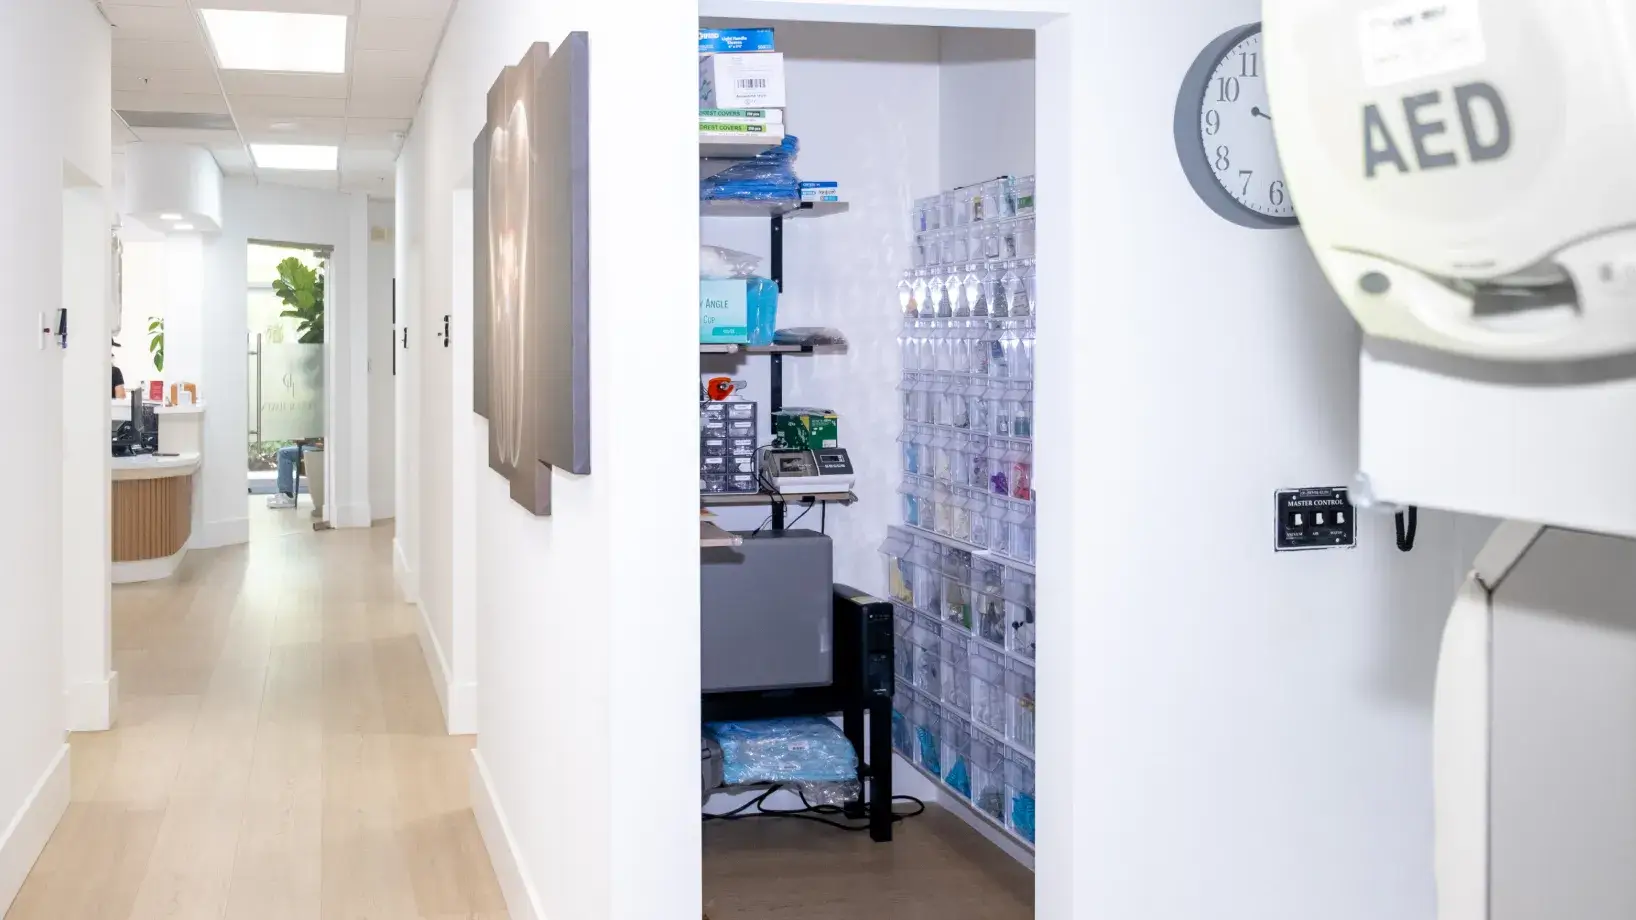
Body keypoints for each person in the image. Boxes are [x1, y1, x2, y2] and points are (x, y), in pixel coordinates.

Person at [267, 444, 302, 509]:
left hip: (319, 447)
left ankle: (287, 495)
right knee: (283, 451)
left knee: (284, 453)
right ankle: (284, 493)